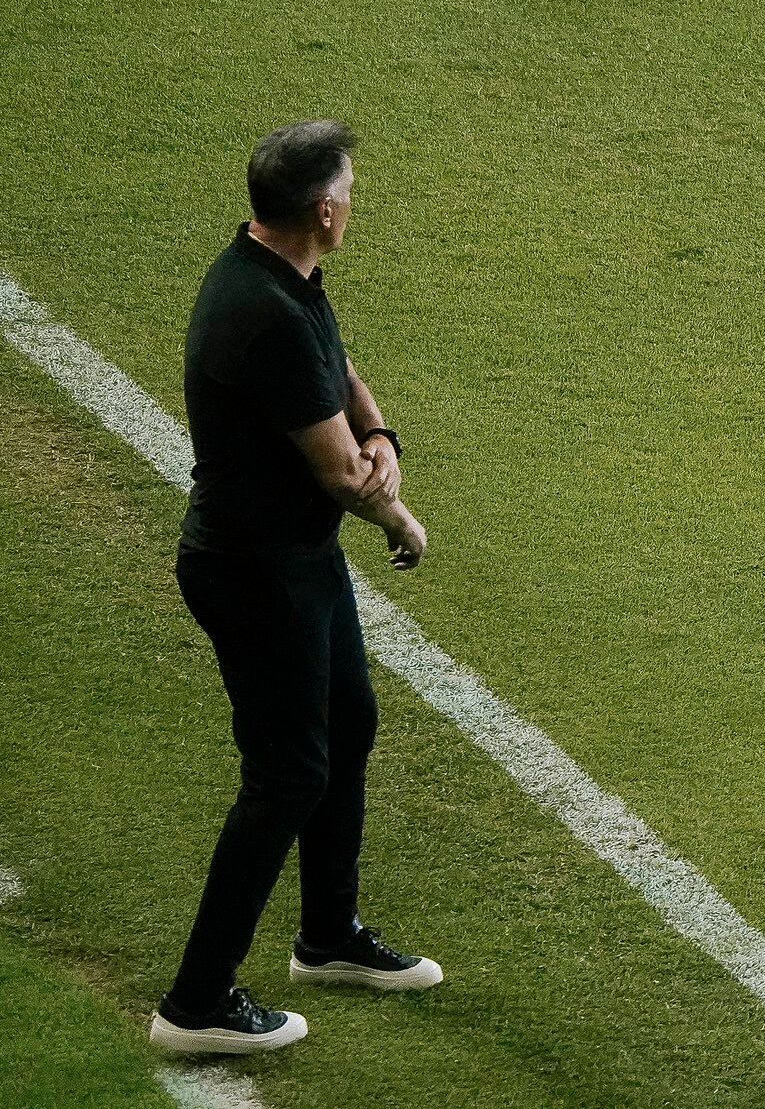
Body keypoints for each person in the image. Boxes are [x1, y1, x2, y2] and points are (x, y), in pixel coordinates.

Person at [151, 119, 441, 1055]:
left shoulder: (282, 272)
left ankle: (329, 938)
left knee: (347, 724)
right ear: (324, 208)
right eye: (350, 192)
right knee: (286, 775)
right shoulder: (262, 312)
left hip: (294, 562)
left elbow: (339, 372)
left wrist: (385, 434)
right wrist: (398, 517)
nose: (354, 203)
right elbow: (336, 474)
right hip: (253, 572)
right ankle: (194, 1004)